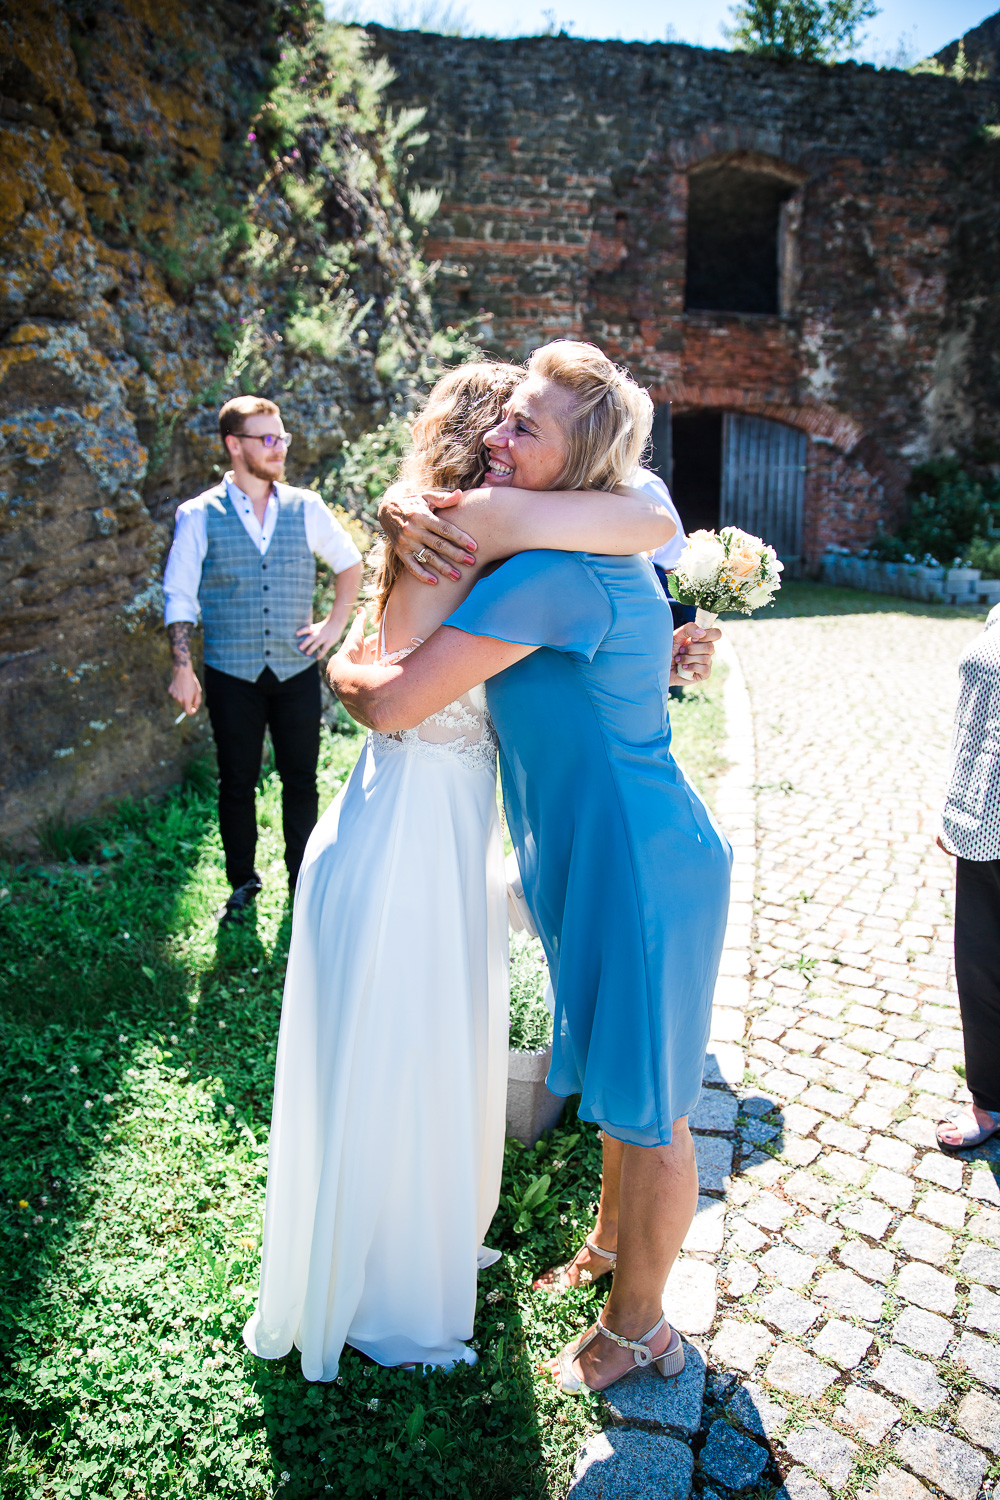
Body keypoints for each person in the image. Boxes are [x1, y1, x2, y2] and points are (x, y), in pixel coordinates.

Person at [242, 357, 713, 1382]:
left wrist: (343, 659)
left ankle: (643, 1332)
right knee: (616, 1092)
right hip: (587, 850)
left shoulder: (546, 560)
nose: (500, 439)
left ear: (578, 461)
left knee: (657, 1108)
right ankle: (603, 1246)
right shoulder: (539, 548)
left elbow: (398, 694)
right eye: (499, 419)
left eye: (525, 429)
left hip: (636, 864)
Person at [163, 396, 363, 921]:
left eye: (282, 439)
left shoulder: (306, 506)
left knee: (301, 778)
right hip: (232, 673)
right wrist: (182, 665)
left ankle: (304, 881)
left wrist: (335, 624)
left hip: (295, 669)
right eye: (267, 439)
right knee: (237, 781)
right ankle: (243, 881)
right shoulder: (198, 515)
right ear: (235, 445)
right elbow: (180, 596)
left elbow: (350, 564)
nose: (279, 449)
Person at [936, 603, 1000, 1152]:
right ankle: (989, 1100)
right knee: (980, 966)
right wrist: (953, 805)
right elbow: (973, 717)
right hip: (984, 820)